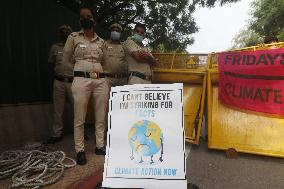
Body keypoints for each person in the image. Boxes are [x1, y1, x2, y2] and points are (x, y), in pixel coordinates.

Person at [63, 6, 108, 165]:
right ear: (79, 20)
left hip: (100, 81)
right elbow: (66, 60)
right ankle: (80, 150)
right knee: (79, 117)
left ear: (94, 20)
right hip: (81, 81)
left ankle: (100, 146)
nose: (85, 18)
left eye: (88, 16)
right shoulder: (73, 37)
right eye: (82, 17)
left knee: (101, 116)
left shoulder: (101, 42)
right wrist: (78, 73)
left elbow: (105, 62)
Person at [46, 25, 73, 144]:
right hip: (59, 82)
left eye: (67, 32)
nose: (65, 34)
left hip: (73, 82)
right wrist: (57, 75)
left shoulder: (75, 48)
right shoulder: (54, 47)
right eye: (62, 32)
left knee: (77, 109)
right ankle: (57, 134)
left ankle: (80, 133)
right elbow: (51, 64)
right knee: (58, 110)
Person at [102, 23, 128, 87]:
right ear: (110, 32)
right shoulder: (104, 44)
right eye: (113, 30)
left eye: (117, 31)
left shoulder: (125, 46)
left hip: (123, 80)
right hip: (107, 79)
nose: (115, 32)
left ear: (120, 33)